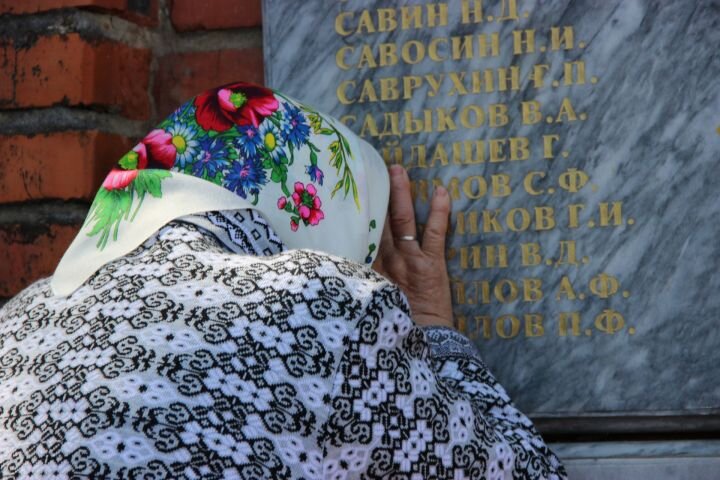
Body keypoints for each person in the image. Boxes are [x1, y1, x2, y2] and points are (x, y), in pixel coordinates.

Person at [0, 82, 566, 479]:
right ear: (315, 213)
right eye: (367, 247)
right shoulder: (322, 305)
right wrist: (435, 331)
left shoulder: (18, 320)